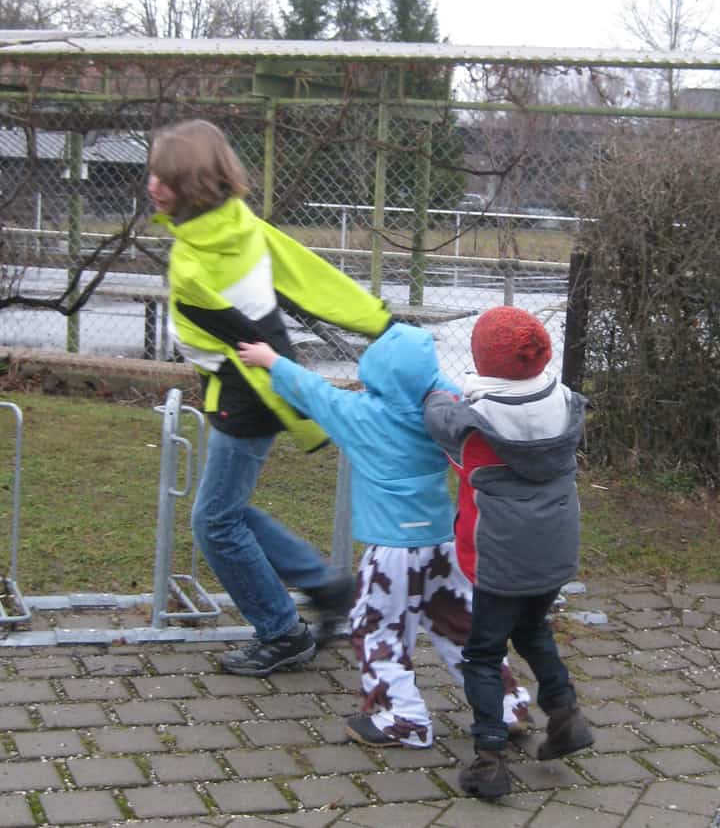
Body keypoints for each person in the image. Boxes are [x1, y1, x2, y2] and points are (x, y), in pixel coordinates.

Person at [147, 118, 394, 677]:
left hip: (247, 394)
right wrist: (376, 318)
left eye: (164, 178)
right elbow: (310, 278)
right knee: (225, 511)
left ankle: (282, 631)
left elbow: (282, 302)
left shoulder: (197, 259)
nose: (152, 186)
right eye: (153, 175)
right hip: (242, 388)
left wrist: (380, 324)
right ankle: (326, 586)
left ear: (192, 185)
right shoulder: (238, 225)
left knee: (215, 523)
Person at [237, 322, 533, 749]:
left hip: (393, 553)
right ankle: (506, 705)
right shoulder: (442, 409)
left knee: (376, 628)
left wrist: (271, 361)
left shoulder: (363, 416)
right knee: (460, 626)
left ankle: (403, 718)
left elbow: (314, 393)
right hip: (442, 544)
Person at [423, 306, 594, 797]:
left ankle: (489, 759)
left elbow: (437, 415)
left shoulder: (473, 424)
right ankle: (565, 716)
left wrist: (433, 391)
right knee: (533, 628)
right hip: (554, 552)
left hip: (498, 561)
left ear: (481, 358)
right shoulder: (566, 402)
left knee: (482, 655)